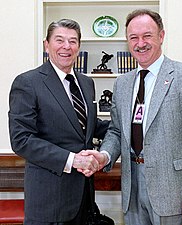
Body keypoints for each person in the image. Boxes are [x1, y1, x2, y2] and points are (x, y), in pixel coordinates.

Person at [82, 9, 182, 225]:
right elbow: (116, 131)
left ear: (161, 36)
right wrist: (104, 156)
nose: (140, 43)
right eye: (133, 37)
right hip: (131, 185)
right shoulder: (122, 83)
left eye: (147, 36)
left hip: (173, 191)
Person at [8, 19, 109, 225]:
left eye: (73, 41)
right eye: (59, 40)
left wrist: (132, 124)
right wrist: (73, 160)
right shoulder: (28, 82)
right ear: (47, 45)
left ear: (79, 47)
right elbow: (22, 139)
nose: (66, 47)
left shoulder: (86, 83)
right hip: (49, 202)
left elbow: (88, 127)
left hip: (84, 199)